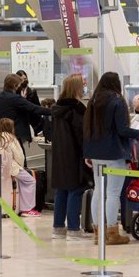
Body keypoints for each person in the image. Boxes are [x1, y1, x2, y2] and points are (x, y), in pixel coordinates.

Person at [83, 72, 139, 245]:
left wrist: (88, 153)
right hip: (114, 153)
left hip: (95, 152)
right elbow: (122, 130)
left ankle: (98, 233)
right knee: (113, 193)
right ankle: (112, 232)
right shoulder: (117, 100)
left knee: (99, 191)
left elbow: (87, 129)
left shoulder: (93, 101)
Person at [51, 75, 92, 240]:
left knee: (62, 190)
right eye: (83, 84)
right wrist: (87, 152)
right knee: (76, 189)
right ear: (76, 87)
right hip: (74, 155)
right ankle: (74, 228)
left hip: (60, 154)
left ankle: (58, 227)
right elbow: (81, 134)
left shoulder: (56, 108)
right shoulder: (76, 109)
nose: (85, 87)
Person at [0, 74, 51, 166]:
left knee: (0, 166)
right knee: (19, 163)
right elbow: (34, 109)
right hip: (12, 137)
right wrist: (54, 111)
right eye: (19, 85)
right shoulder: (15, 99)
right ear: (15, 86)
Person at [0, 118, 41, 217]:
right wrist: (21, 166)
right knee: (30, 181)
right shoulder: (11, 138)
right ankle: (27, 209)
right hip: (13, 167)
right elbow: (19, 155)